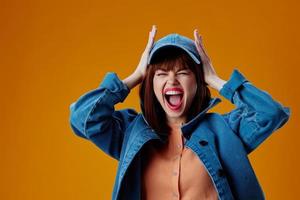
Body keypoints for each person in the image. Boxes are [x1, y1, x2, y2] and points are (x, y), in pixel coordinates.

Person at [69, 25, 291, 200]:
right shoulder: (130, 132)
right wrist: (135, 77)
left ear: (198, 81)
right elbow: (82, 118)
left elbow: (271, 113)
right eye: (161, 74)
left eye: (183, 72)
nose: (172, 80)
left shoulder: (225, 131)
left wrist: (215, 79)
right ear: (150, 83)